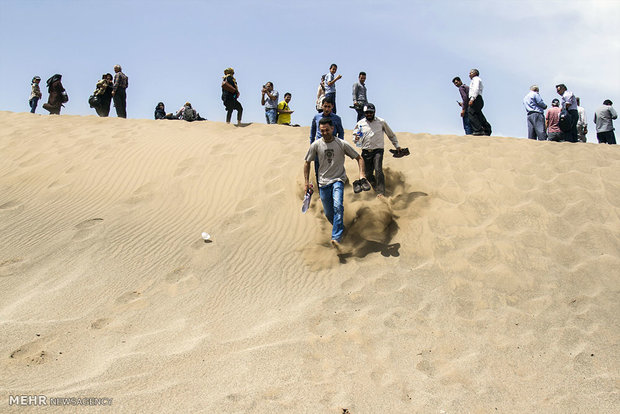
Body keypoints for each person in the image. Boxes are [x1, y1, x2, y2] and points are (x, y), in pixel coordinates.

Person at [304, 117, 366, 245]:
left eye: (327, 130)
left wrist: (362, 175)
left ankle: (336, 237)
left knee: (338, 206)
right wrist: (306, 182)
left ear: (332, 128)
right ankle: (342, 229)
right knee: (328, 213)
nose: (325, 133)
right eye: (322, 131)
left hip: (338, 180)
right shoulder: (316, 145)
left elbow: (359, 158)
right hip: (323, 183)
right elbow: (307, 162)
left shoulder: (341, 143)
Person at [353, 103, 401, 197]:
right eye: (367, 113)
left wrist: (397, 146)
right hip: (366, 152)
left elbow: (391, 135)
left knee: (378, 170)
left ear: (374, 112)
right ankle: (376, 189)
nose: (369, 114)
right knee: (368, 174)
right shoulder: (360, 124)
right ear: (364, 113)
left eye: (371, 112)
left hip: (378, 151)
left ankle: (381, 193)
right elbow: (354, 136)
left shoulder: (381, 122)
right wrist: (356, 138)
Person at [467, 69, 492, 136]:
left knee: (470, 112)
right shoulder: (475, 80)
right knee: (478, 114)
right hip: (477, 98)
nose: (469, 74)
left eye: (471, 73)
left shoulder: (476, 79)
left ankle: (478, 130)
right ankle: (487, 129)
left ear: (475, 73)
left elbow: (476, 89)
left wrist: (472, 99)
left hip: (476, 98)